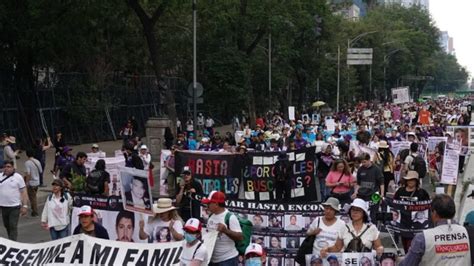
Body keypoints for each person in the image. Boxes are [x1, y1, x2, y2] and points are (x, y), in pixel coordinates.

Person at [399, 194, 470, 265]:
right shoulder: (468, 232)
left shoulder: (423, 238)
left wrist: (399, 261)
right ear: (454, 213)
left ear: (434, 213)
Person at [203, 190, 243, 265]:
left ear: (216, 204)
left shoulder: (230, 217)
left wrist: (225, 230)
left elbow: (240, 237)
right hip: (212, 259)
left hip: (228, 259)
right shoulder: (211, 216)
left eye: (209, 203)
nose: (207, 206)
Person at [393, 170, 430, 252]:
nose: (410, 182)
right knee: (405, 245)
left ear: (416, 181)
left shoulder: (422, 193)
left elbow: (428, 206)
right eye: (409, 180)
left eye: (412, 180)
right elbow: (394, 203)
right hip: (403, 223)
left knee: (412, 246)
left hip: (417, 224)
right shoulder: (400, 191)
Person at [0, 160, 29, 240]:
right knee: (7, 225)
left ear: (13, 168)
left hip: (14, 206)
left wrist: (25, 205)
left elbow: (23, 191)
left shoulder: (18, 177)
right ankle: (11, 239)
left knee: (13, 225)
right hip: (3, 206)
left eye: (8, 167)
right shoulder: (0, 176)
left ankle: (13, 242)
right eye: (5, 167)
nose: (6, 169)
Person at [24, 149, 43, 216]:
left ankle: (35, 211)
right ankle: (33, 209)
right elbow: (41, 171)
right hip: (37, 182)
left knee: (32, 198)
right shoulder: (37, 161)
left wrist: (26, 183)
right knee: (34, 196)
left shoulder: (27, 163)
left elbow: (28, 174)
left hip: (31, 183)